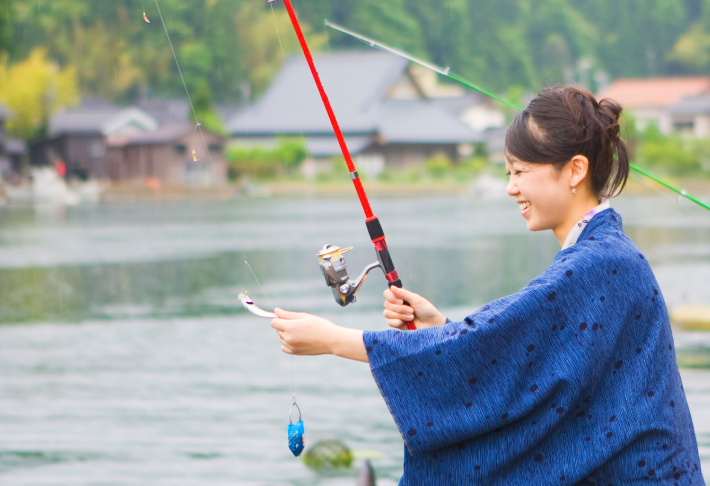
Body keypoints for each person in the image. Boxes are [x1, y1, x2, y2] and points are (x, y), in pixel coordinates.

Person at [270, 86, 705, 485]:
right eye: (508, 173)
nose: (511, 188)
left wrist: (331, 340)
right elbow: (521, 355)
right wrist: (439, 326)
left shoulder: (600, 262)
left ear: (574, 170)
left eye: (520, 172)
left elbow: (494, 342)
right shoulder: (605, 253)